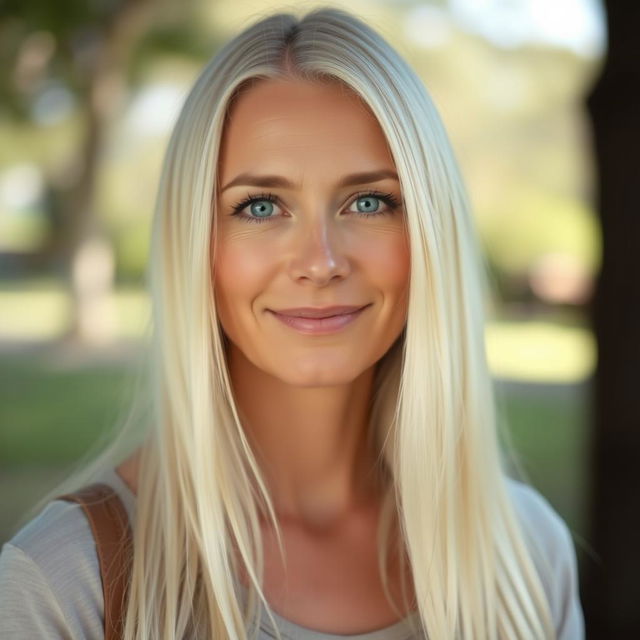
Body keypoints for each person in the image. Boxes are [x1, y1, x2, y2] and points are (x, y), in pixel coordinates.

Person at [0, 7, 585, 639]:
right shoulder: (65, 583)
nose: (320, 262)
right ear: (196, 241)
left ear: (428, 233)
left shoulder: (527, 553)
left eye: (369, 201)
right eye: (260, 205)